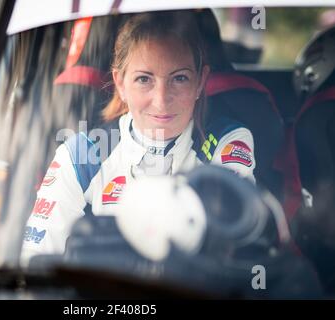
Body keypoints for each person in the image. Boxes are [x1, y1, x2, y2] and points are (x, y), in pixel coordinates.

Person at [21, 11, 257, 263]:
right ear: (120, 84)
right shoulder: (81, 154)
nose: (161, 100)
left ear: (200, 82)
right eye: (144, 79)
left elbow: (237, 241)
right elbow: (36, 260)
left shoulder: (228, 141)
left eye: (179, 78)